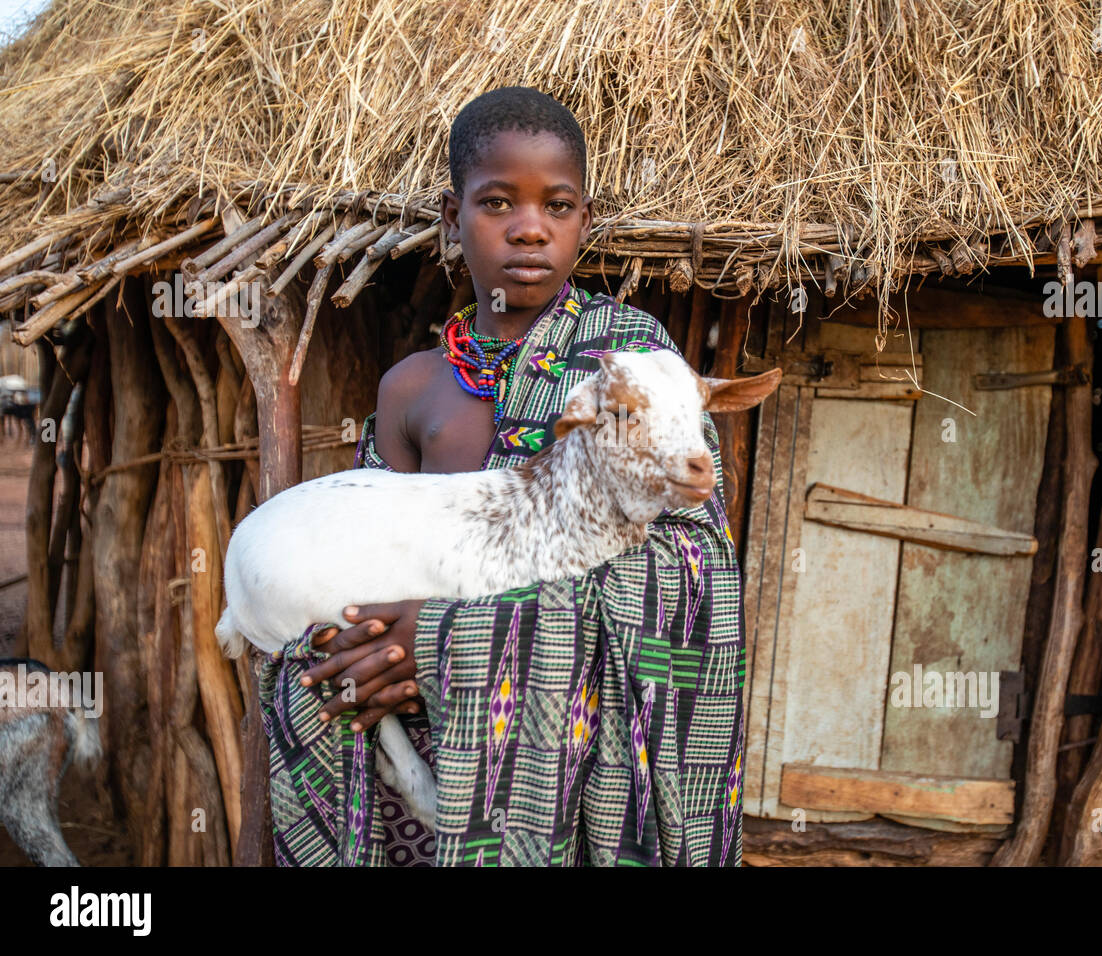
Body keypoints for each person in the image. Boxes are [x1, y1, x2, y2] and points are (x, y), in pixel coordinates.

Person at [259, 86, 746, 866]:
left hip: (571, 747)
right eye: (496, 203)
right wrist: (369, 647)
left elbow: (695, 565)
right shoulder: (412, 388)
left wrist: (453, 634)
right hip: (423, 749)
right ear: (453, 220)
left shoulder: (636, 363)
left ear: (585, 222)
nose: (529, 227)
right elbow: (363, 542)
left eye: (558, 205)